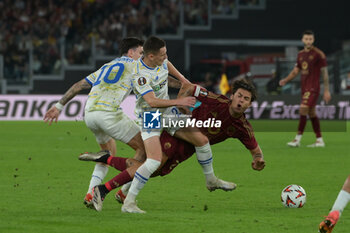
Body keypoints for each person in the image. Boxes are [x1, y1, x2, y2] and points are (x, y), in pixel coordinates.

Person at [90, 36, 236, 213]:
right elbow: (151, 101)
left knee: (202, 140)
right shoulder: (139, 75)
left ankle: (211, 179)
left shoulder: (161, 60)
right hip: (150, 116)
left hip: (166, 113)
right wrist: (179, 102)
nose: (165, 57)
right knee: (153, 161)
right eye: (162, 55)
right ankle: (128, 202)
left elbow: (171, 68)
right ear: (151, 56)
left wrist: (184, 80)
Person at [79, 79, 265, 211]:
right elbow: (189, 86)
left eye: (246, 99)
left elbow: (255, 151)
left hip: (188, 146)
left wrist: (258, 160)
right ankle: (104, 190)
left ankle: (110, 166)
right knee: (156, 163)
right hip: (173, 126)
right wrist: (182, 104)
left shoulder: (243, 127)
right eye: (239, 96)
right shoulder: (217, 101)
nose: (241, 101)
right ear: (232, 96)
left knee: (155, 169)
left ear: (250, 104)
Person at [43, 37, 146, 207]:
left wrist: (58, 106)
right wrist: (185, 86)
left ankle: (91, 194)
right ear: (131, 52)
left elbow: (78, 85)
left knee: (108, 152)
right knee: (147, 150)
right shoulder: (136, 66)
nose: (142, 57)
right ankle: (123, 192)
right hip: (108, 114)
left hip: (90, 114)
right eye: (140, 53)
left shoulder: (107, 66)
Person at [279, 30, 331, 148]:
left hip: (313, 88)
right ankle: (319, 140)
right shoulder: (300, 54)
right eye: (306, 39)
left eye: (310, 39)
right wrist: (286, 80)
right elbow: (295, 71)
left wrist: (327, 90)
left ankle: (297, 140)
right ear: (302, 40)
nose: (308, 41)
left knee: (303, 109)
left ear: (313, 40)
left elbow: (325, 73)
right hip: (304, 88)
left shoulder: (319, 54)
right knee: (312, 113)